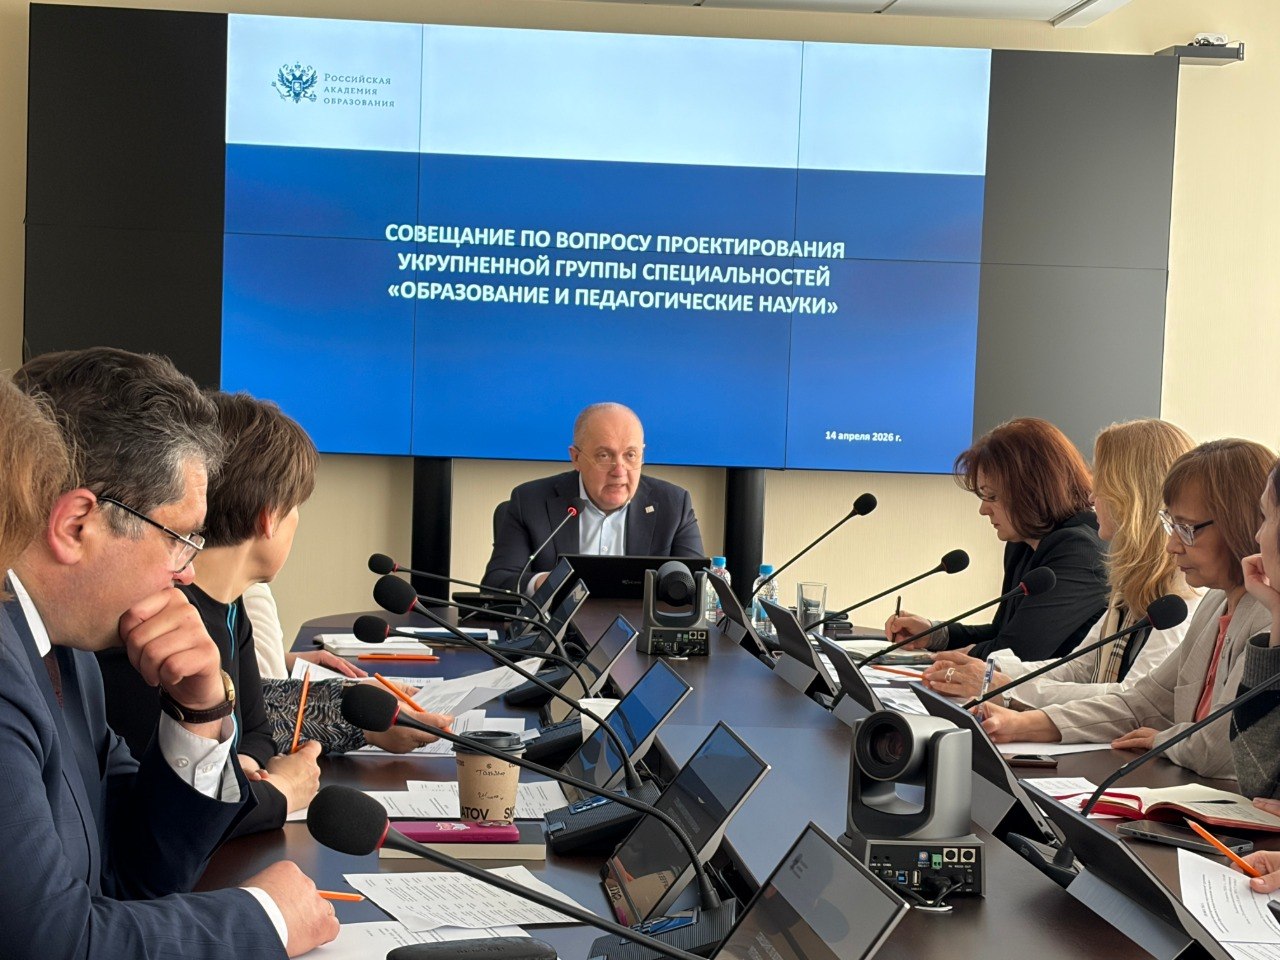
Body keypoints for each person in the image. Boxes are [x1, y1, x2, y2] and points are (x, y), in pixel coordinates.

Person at [2, 350, 336, 958]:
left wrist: (199, 713)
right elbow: (54, 944)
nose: (186, 573)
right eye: (180, 538)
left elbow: (135, 874)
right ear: (77, 525)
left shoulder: (68, 654)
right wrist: (266, 918)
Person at [97, 391, 453, 837]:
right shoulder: (163, 624)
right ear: (269, 518)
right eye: (296, 507)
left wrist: (246, 765)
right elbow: (173, 807)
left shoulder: (231, 605)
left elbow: (258, 731)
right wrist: (276, 791)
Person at [980, 439, 1274, 780]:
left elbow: (1220, 747)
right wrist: (1022, 725)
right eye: (1171, 526)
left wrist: (1162, 739)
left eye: (1186, 529)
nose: (1172, 545)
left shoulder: (1269, 617)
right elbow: (1144, 702)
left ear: (1243, 524)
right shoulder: (1215, 603)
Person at [922, 419, 1200, 706]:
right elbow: (1079, 667)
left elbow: (1135, 698)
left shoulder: (1182, 592)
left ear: (1131, 496)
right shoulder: (1133, 579)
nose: (1092, 496)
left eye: (1101, 484)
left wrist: (1003, 686)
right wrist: (994, 673)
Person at [885, 417, 1108, 662]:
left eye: (992, 496)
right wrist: (933, 634)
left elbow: (1017, 651)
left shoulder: (1079, 550)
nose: (983, 510)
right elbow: (1002, 631)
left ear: (1034, 491)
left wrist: (932, 660)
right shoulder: (1021, 544)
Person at [483, 402, 704, 593]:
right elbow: (497, 583)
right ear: (576, 458)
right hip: (557, 628)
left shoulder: (674, 505)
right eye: (604, 455)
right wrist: (545, 583)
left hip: (640, 628)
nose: (619, 470)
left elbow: (698, 587)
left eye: (630, 455)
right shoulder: (531, 502)